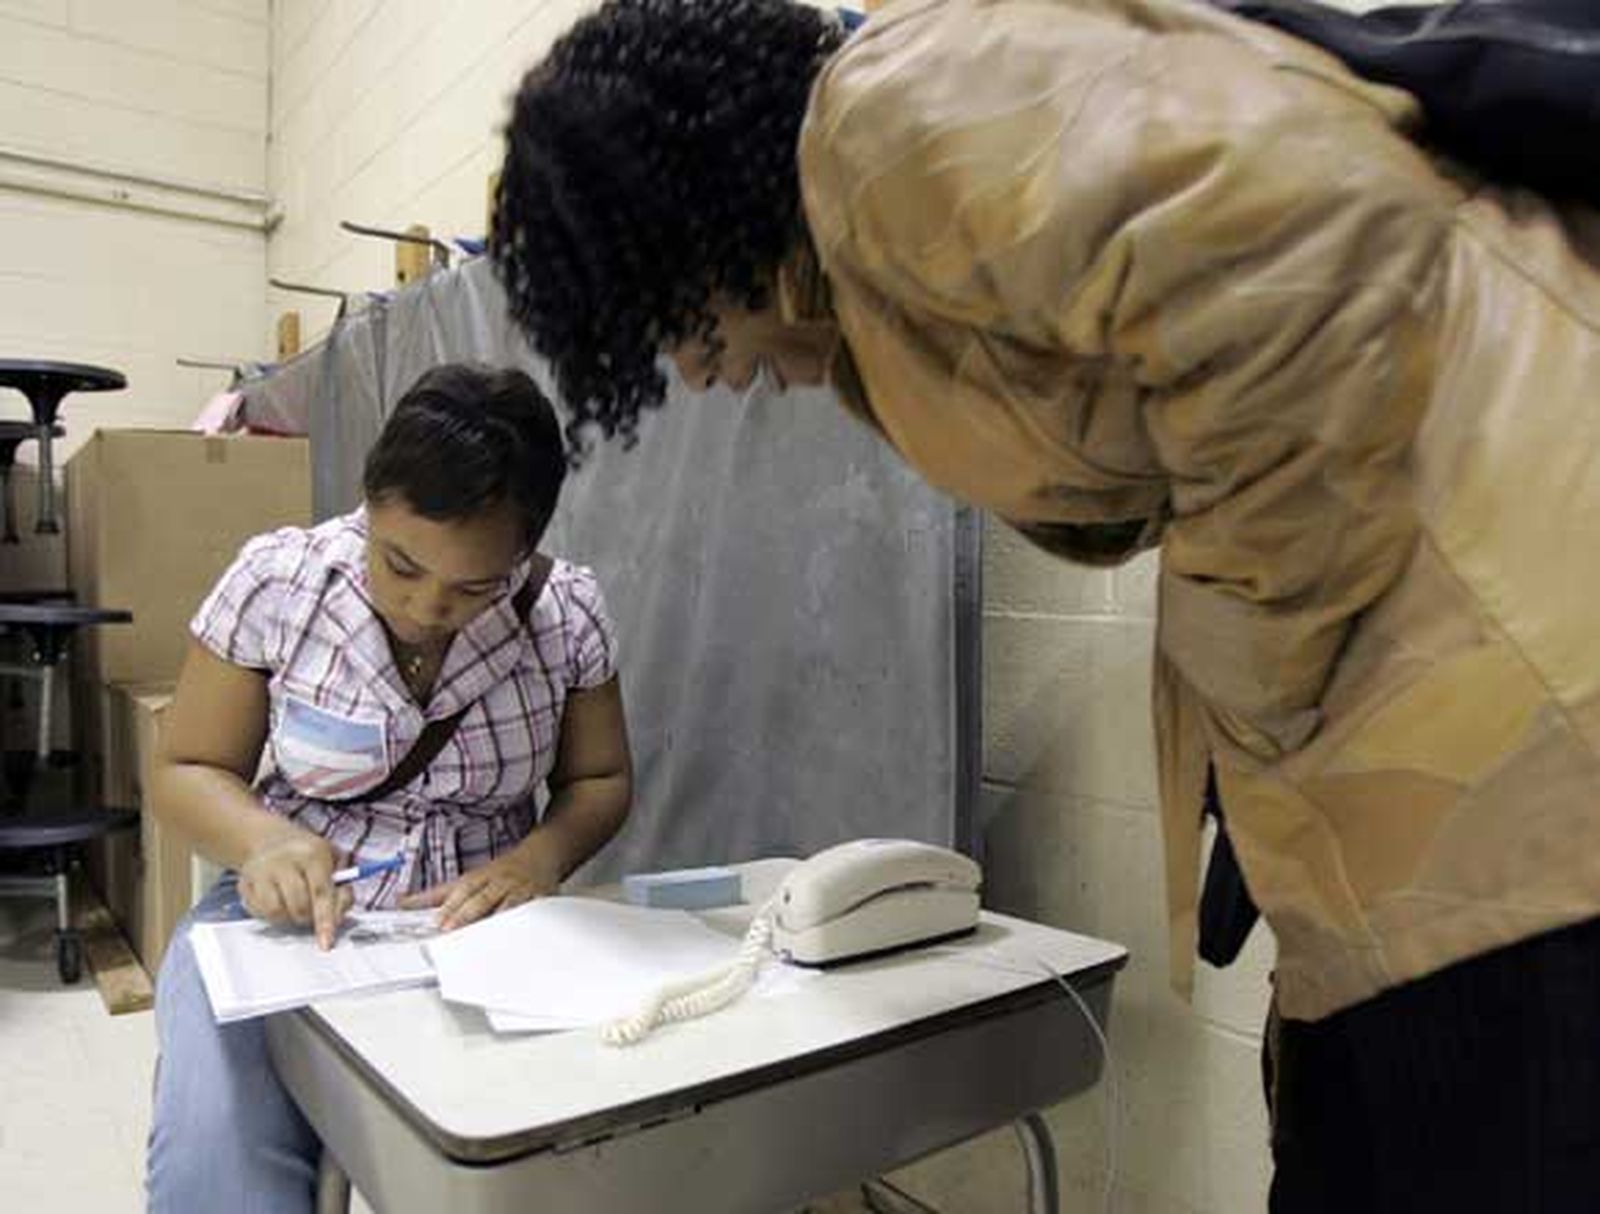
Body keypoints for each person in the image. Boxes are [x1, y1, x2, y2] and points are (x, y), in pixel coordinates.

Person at [489, 0, 1600, 1208]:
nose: (700, 373)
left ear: (682, 226)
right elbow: (1146, 440)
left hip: (1516, 695)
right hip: (1431, 743)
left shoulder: (888, 116)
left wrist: (1246, 658)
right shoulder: (879, 279)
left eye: (666, 327)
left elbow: (1329, 253)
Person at [144, 363, 632, 1212]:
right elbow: (187, 768)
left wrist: (541, 859)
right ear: (369, 500)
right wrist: (265, 842)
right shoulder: (279, 582)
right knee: (221, 1146)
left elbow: (600, 780)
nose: (428, 606)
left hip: (486, 921)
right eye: (400, 562)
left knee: (540, 1152)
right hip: (294, 916)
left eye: (476, 585)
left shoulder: (567, 613)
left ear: (525, 550)